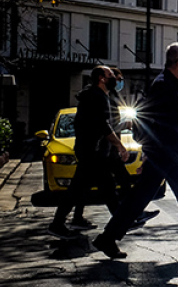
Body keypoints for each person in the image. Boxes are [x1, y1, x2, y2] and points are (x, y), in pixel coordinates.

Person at [92, 43, 178, 259]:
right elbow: (166, 128)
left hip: (162, 154)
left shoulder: (170, 84)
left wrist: (149, 155)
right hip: (168, 155)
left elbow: (156, 125)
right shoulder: (164, 86)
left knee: (144, 197)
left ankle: (107, 238)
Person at [47, 66, 129, 239]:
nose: (114, 78)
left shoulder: (98, 95)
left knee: (95, 188)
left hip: (91, 150)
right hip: (91, 151)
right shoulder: (96, 97)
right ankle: (121, 222)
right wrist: (119, 146)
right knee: (101, 188)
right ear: (101, 78)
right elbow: (103, 126)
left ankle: (121, 221)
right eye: (110, 75)